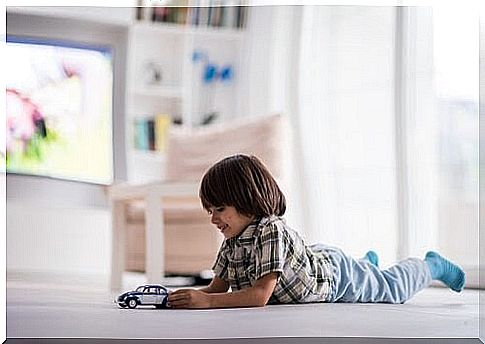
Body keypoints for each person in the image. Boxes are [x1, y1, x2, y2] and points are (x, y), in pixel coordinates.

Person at [168, 154, 465, 309]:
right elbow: (215, 290)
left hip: (335, 277)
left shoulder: (270, 229)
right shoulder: (232, 241)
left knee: (391, 289)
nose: (213, 219)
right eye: (210, 211)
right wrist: (178, 298)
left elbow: (259, 296)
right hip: (316, 261)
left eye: (219, 209)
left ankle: (430, 265)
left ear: (246, 200)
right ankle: (366, 264)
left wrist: (206, 302)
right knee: (365, 273)